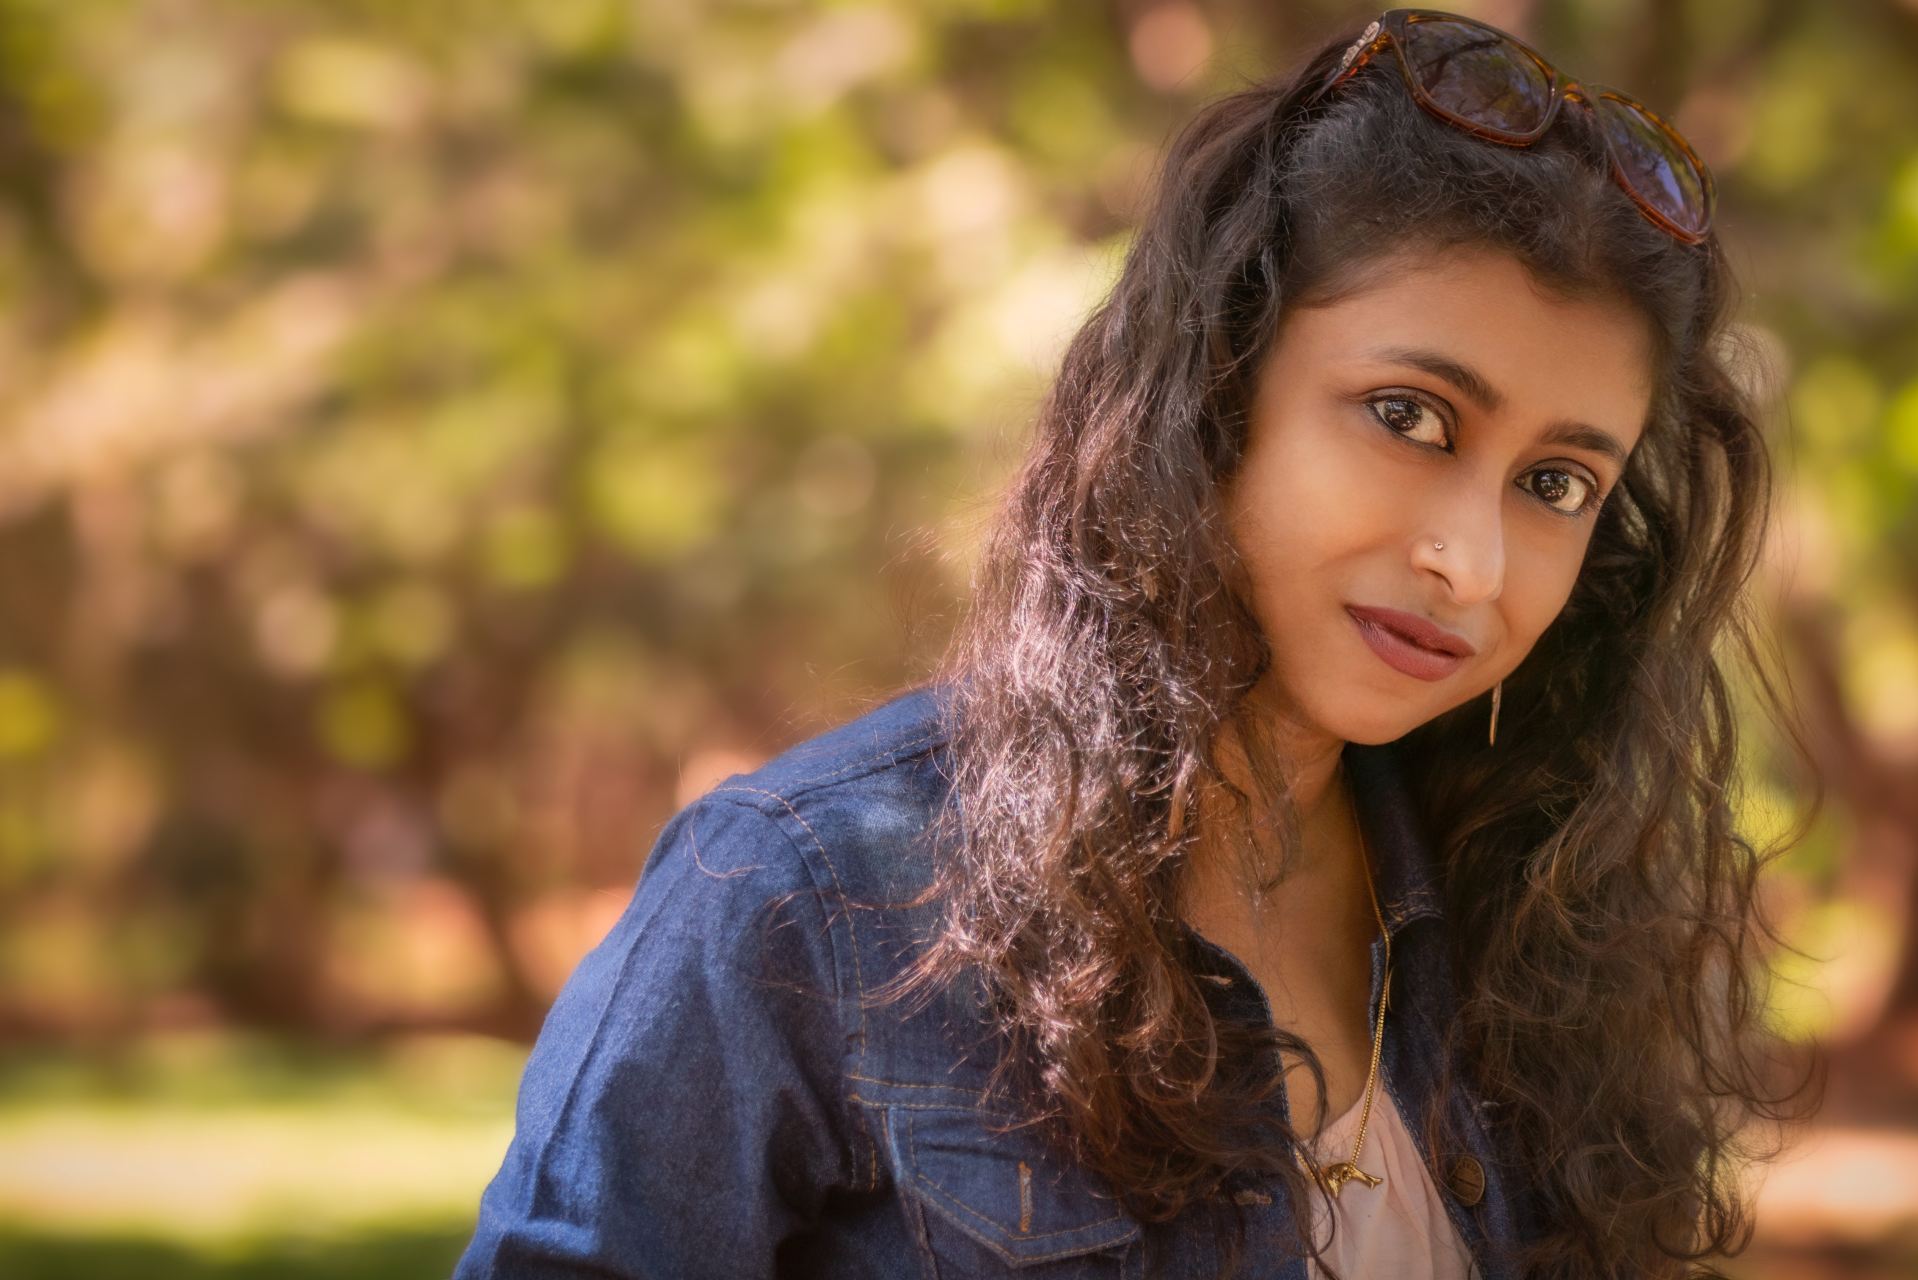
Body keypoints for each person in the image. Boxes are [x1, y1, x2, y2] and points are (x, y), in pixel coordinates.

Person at [454, 10, 1820, 1279]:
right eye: (1409, 417)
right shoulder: (797, 901)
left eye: (1556, 484)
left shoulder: (1524, 932)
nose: (1470, 560)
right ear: (1215, 388)